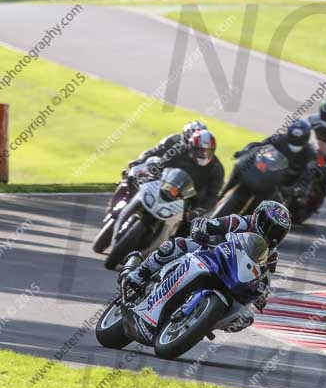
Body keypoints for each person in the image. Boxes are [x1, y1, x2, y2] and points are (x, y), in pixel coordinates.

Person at [121, 200, 291, 331]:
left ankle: (203, 323)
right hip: (208, 251)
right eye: (269, 226)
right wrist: (201, 229)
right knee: (174, 246)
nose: (272, 234)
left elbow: (265, 279)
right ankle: (140, 273)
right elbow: (211, 224)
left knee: (245, 317)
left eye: (278, 232)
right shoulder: (240, 222)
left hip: (232, 276)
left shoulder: (272, 254)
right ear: (258, 217)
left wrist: (262, 295)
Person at [106, 123, 223, 220]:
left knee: (192, 226)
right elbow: (156, 155)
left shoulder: (216, 167)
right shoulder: (177, 146)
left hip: (189, 197)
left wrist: (198, 211)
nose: (202, 154)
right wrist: (141, 165)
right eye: (198, 150)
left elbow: (213, 195)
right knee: (132, 178)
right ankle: (122, 203)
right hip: (164, 181)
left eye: (206, 151)